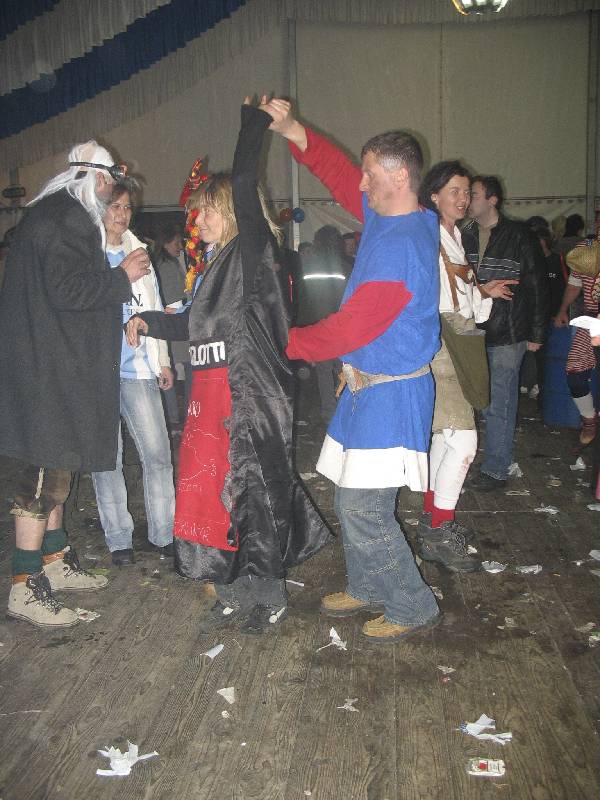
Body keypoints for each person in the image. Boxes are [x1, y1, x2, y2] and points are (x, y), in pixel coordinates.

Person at [126, 97, 332, 634]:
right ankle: (236, 588)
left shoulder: (252, 254)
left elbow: (244, 179)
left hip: (251, 395)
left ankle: (268, 593)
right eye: (198, 212)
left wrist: (253, 122)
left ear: (233, 211)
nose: (198, 219)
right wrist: (150, 321)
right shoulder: (213, 267)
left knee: (255, 492)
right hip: (212, 398)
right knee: (218, 496)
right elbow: (195, 327)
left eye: (208, 210)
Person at [266, 97, 441, 643]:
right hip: (367, 388)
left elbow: (350, 329)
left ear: (399, 176)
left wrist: (280, 341)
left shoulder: (403, 244)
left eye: (371, 174)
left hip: (392, 394)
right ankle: (369, 584)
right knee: (352, 496)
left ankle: (412, 604)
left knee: (364, 507)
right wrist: (295, 131)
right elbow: (342, 176)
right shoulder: (393, 216)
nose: (361, 184)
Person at [0, 142, 151, 627]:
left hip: (49, 365)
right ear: (98, 179)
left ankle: (54, 560)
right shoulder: (68, 219)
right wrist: (121, 276)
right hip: (47, 372)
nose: (110, 192)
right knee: (40, 480)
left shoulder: (53, 213)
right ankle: (25, 585)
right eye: (110, 181)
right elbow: (68, 291)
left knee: (59, 468)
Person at [416, 162, 516, 570]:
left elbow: (458, 293)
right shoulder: (426, 233)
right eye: (454, 191)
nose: (462, 199)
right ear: (433, 195)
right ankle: (439, 530)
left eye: (467, 192)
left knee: (445, 437)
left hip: (458, 337)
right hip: (443, 343)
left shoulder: (456, 234)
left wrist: (482, 291)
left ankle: (432, 521)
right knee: (464, 442)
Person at [91, 185, 175, 566]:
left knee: (158, 456)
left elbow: (154, 306)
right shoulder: (88, 255)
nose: (121, 214)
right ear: (100, 208)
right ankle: (119, 540)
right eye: (114, 206)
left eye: (127, 207)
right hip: (99, 373)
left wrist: (163, 360)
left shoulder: (140, 252)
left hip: (139, 369)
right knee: (107, 460)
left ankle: (164, 534)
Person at [463, 176, 550, 490]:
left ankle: (496, 469)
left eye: (473, 194)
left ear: (492, 199)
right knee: (479, 399)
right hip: (471, 331)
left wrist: (537, 334)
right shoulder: (464, 234)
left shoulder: (519, 235)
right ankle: (492, 457)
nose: (466, 199)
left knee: (499, 401)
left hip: (508, 332)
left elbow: (538, 285)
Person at [296, 225, 352, 422]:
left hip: (319, 326)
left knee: (323, 371)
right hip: (340, 326)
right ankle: (347, 409)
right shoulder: (346, 267)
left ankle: (329, 412)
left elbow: (304, 300)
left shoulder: (309, 267)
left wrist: (305, 329)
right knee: (343, 369)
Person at [554, 219, 600, 445]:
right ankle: (589, 419)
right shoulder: (585, 250)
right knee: (575, 372)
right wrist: (563, 309)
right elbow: (574, 284)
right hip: (591, 319)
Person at [152, 222, 191, 431]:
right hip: (175, 323)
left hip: (169, 324)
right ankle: (182, 418)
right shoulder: (168, 266)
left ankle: (174, 417)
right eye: (177, 242)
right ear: (166, 242)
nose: (180, 246)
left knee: (169, 370)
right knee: (185, 368)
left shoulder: (162, 263)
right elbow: (175, 297)